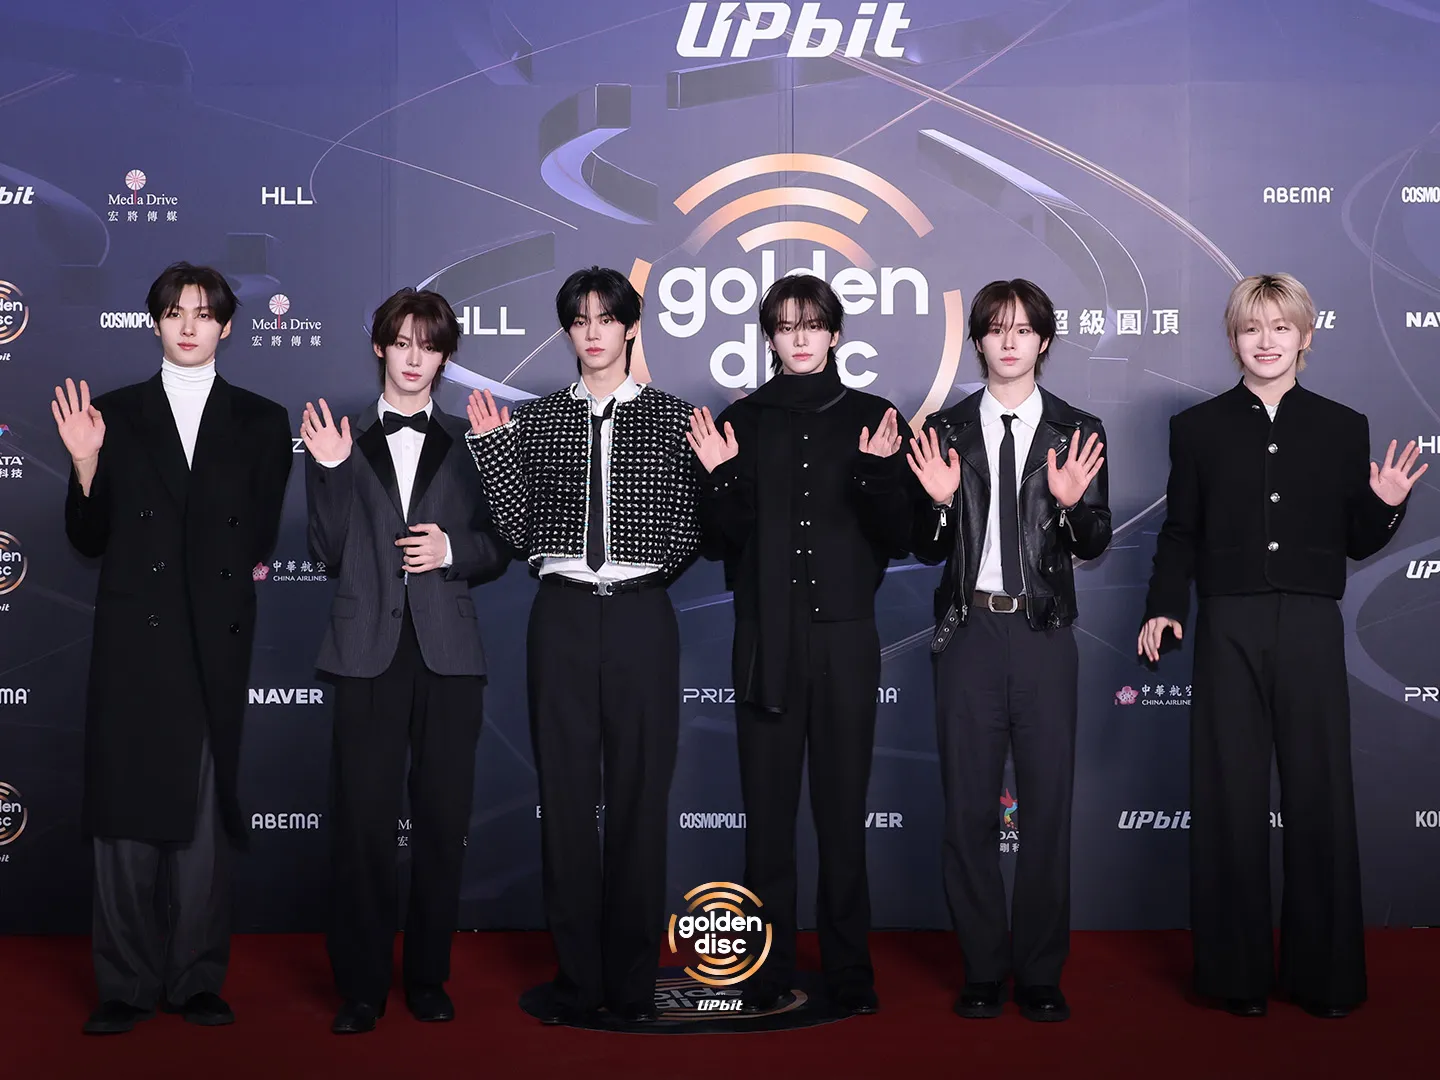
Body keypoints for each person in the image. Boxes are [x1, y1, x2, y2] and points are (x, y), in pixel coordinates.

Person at [1137, 272, 1423, 1019]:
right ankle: (1234, 977)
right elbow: (1181, 532)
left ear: (1305, 337)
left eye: (1280, 328)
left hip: (1309, 625)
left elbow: (1357, 539)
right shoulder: (1198, 429)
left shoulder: (1342, 426)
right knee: (1228, 796)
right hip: (1227, 623)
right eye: (1251, 328)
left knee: (1319, 795)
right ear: (1233, 338)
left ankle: (1324, 978)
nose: (1266, 341)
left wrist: (1386, 506)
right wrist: (1164, 607)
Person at [54, 262, 292, 1035]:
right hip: (134, 641)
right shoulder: (112, 415)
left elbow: (257, 536)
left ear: (227, 326)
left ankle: (195, 980)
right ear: (154, 322)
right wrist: (85, 463)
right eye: (173, 311)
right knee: (124, 817)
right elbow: (87, 538)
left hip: (212, 643)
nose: (188, 325)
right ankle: (124, 983)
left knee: (202, 822)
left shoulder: (262, 421)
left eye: (203, 312)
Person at [465, 266, 701, 1024]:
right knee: (564, 801)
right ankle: (576, 980)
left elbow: (691, 530)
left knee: (639, 799)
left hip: (641, 616)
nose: (593, 332)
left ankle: (631, 984)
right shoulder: (534, 422)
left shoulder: (675, 419)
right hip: (561, 614)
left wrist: (643, 564)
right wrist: (493, 453)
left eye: (606, 318)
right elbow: (516, 529)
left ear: (631, 328)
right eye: (579, 319)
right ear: (567, 330)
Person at [687, 273, 913, 1015]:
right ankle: (765, 968)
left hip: (847, 643)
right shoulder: (740, 423)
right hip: (765, 642)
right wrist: (721, 479)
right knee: (767, 816)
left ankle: (850, 973)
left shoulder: (876, 419)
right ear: (770, 338)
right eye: (786, 327)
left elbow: (902, 537)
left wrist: (878, 475)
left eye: (812, 324)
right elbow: (719, 544)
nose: (801, 338)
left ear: (835, 333)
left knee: (843, 816)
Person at [301, 287, 509, 1034]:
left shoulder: (474, 438)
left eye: (430, 345)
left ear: (446, 356)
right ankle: (360, 987)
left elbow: (501, 544)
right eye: (402, 342)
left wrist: (454, 551)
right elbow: (325, 551)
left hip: (449, 655)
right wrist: (330, 471)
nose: (415, 357)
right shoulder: (339, 437)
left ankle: (427, 977)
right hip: (366, 653)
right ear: (380, 347)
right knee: (362, 825)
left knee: (442, 823)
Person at [908, 278, 1110, 1023]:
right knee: (968, 809)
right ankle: (984, 967)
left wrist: (1071, 507)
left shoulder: (1077, 430)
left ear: (1044, 341)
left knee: (1047, 808)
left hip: (1044, 633)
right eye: (996, 329)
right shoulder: (944, 430)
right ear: (979, 341)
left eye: (1024, 330)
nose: (1010, 342)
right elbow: (925, 549)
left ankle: (1040, 972)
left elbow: (1096, 540)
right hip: (969, 633)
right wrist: (937, 505)